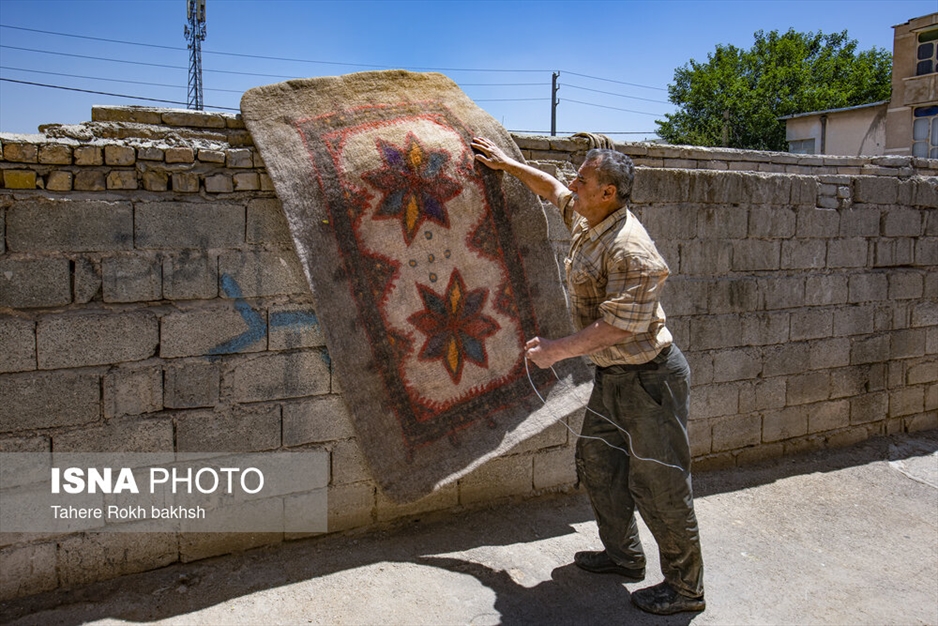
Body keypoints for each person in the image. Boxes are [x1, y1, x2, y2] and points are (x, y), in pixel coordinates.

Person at [471, 136, 705, 616]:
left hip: (650, 381)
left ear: (609, 193)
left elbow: (622, 325)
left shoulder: (631, 250)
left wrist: (557, 351)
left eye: (585, 180)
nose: (573, 184)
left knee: (659, 484)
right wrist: (507, 164)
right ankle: (624, 557)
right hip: (615, 378)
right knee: (598, 463)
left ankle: (685, 590)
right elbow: (552, 188)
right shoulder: (588, 216)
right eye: (578, 177)